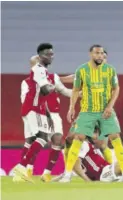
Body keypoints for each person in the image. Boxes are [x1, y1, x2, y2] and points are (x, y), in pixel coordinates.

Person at [60, 44, 123, 183]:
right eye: (97, 53)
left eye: (102, 54)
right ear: (91, 54)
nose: (100, 56)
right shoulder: (82, 70)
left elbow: (116, 89)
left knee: (114, 139)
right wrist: (71, 107)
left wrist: (110, 107)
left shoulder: (110, 70)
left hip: (105, 111)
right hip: (87, 111)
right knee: (76, 138)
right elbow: (75, 89)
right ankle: (67, 174)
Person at [13, 43, 56, 182]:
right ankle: (22, 166)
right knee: (42, 137)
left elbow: (43, 94)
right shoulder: (39, 69)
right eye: (48, 54)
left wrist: (48, 114)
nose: (51, 57)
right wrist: (55, 86)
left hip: (36, 109)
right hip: (33, 108)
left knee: (32, 139)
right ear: (39, 57)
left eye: (52, 54)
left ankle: (19, 175)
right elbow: (44, 90)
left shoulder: (42, 71)